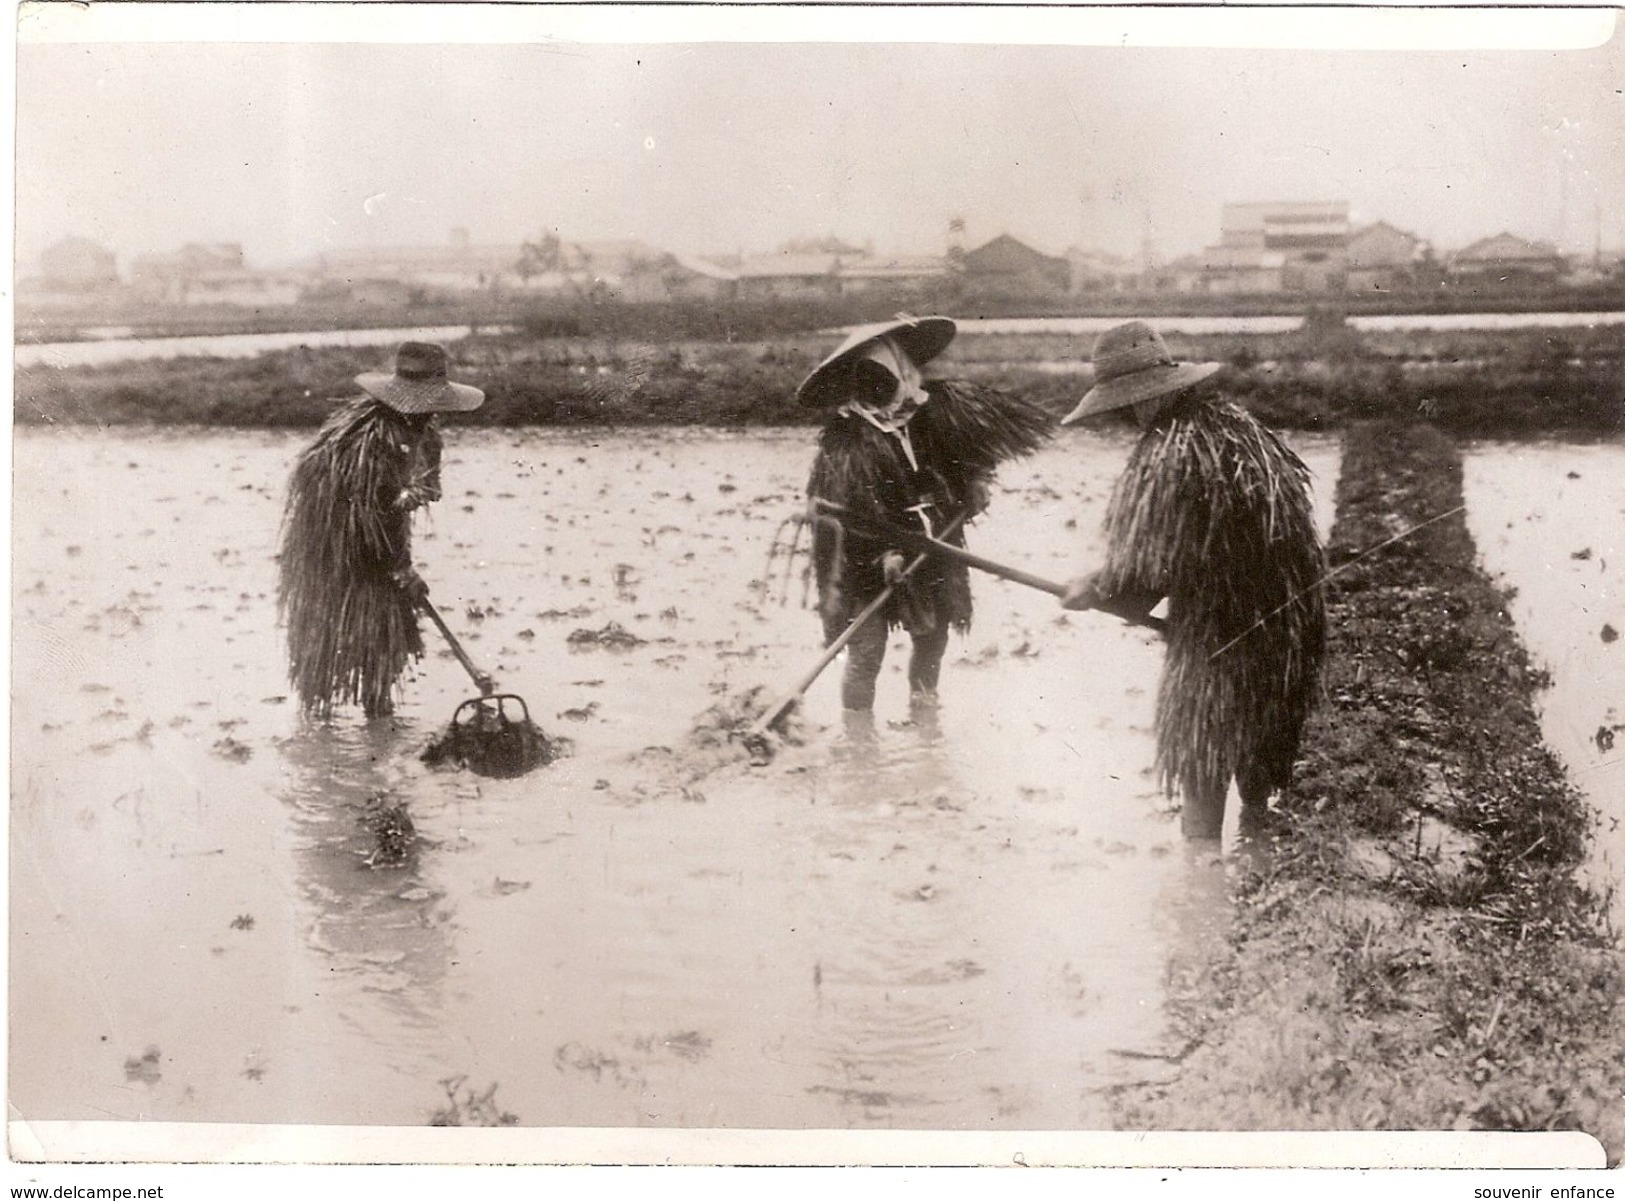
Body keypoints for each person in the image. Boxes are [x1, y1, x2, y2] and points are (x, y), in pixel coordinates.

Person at [1058, 321, 1325, 839]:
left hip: (1220, 632)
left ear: (1138, 398)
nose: (1126, 417)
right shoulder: (1237, 424)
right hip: (1289, 626)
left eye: (1124, 406)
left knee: (1201, 760)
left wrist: (1095, 587)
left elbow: (1149, 567)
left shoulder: (1167, 451)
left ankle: (1201, 877)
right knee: (1260, 763)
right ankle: (1257, 863)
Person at [799, 314, 1054, 712]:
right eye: (867, 380)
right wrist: (884, 555)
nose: (876, 390)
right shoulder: (845, 442)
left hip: (933, 544)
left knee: (933, 639)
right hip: (859, 562)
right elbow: (842, 518)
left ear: (902, 371)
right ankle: (858, 732)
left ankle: (924, 713)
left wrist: (974, 484)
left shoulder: (930, 416)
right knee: (867, 653)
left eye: (884, 376)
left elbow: (966, 460)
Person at [277, 340, 485, 719]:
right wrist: (400, 569)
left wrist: (401, 562)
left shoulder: (420, 434)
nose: (433, 414)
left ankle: (377, 739)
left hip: (375, 550)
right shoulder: (369, 443)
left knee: (380, 665)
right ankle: (345, 732)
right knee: (327, 671)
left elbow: (415, 496)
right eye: (429, 405)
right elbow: (367, 516)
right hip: (333, 559)